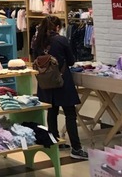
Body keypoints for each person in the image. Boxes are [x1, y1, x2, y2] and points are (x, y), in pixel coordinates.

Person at [32, 15, 88, 160]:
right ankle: (76, 148)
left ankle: (54, 141)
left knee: (52, 111)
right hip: (62, 81)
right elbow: (71, 61)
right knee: (70, 113)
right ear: (57, 27)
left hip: (45, 82)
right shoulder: (61, 40)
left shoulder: (37, 41)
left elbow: (34, 60)